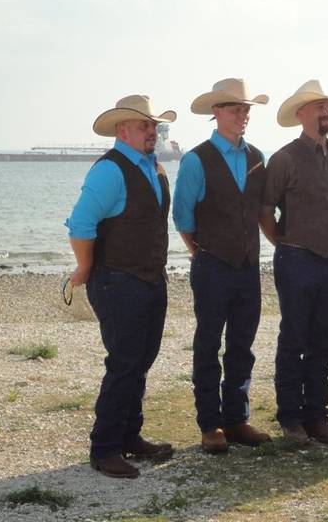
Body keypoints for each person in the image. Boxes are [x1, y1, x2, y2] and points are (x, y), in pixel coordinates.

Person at [65, 95, 177, 479]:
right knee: (124, 364)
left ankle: (131, 436)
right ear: (122, 130)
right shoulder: (109, 171)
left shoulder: (155, 168)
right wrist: (85, 267)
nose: (153, 131)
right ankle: (105, 448)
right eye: (145, 126)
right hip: (117, 282)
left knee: (140, 363)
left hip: (150, 279)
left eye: (154, 126)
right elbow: (80, 225)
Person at [172, 78, 273, 454]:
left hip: (248, 267)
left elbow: (261, 211)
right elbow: (182, 217)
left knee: (242, 347)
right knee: (208, 344)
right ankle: (210, 425)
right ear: (216, 113)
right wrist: (201, 251)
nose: (242, 114)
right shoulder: (196, 159)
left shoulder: (257, 158)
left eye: (246, 109)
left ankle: (237, 419)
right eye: (235, 108)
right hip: (212, 265)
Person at [261, 79, 328, 445]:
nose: (326, 111)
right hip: (296, 258)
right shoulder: (284, 158)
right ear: (301, 114)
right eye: (319, 106)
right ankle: (290, 419)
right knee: (293, 337)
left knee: (323, 339)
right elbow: (265, 210)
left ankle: (318, 415)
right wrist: (283, 243)